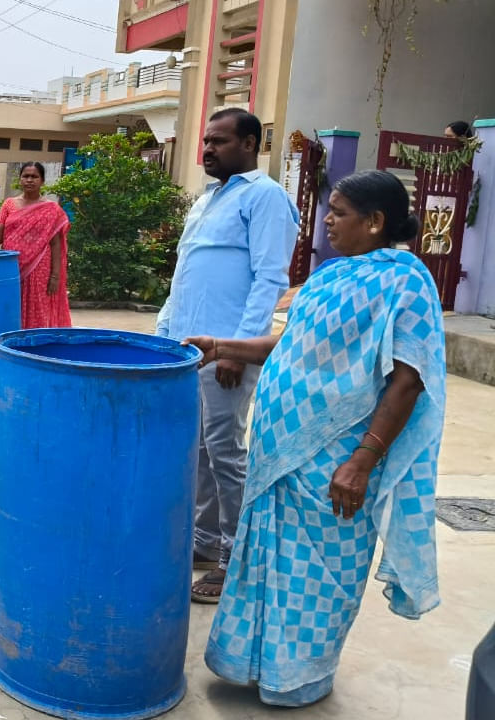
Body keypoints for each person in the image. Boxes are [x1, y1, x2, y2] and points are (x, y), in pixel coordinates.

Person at [183, 169, 444, 707]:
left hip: (334, 463)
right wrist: (221, 345)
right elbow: (287, 346)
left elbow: (409, 377)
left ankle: (297, 678)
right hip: (277, 455)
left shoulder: (407, 280)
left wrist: (363, 461)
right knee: (268, 564)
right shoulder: (328, 278)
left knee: (318, 577)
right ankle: (250, 666)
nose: (327, 219)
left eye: (340, 211)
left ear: (374, 222)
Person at [155, 108, 299, 603]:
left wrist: (239, 348)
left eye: (219, 141)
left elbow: (270, 279)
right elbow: (186, 274)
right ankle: (206, 540)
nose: (208, 149)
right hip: (187, 350)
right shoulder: (207, 200)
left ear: (251, 144)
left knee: (224, 451)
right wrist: (164, 332)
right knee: (196, 449)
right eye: (206, 141)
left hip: (227, 353)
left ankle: (235, 554)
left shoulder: (265, 197)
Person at [0, 161, 71, 328]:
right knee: (10, 307)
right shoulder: (9, 204)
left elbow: (56, 245)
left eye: (35, 176)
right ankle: (11, 347)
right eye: (26, 176)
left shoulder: (51, 209)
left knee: (37, 307)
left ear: (42, 181)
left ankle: (34, 346)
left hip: (39, 270)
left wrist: (55, 276)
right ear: (20, 179)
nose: (30, 180)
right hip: (10, 267)